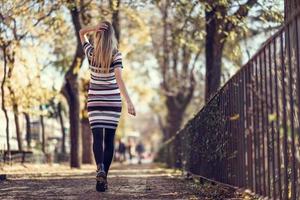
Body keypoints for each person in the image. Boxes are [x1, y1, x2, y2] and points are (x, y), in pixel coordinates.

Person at [79, 20, 136, 192]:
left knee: (97, 138)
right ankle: (104, 178)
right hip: (112, 101)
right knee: (109, 140)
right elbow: (119, 78)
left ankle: (100, 169)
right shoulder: (116, 55)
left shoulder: (90, 53)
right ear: (112, 36)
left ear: (98, 35)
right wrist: (129, 101)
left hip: (95, 101)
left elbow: (81, 32)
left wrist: (92, 28)